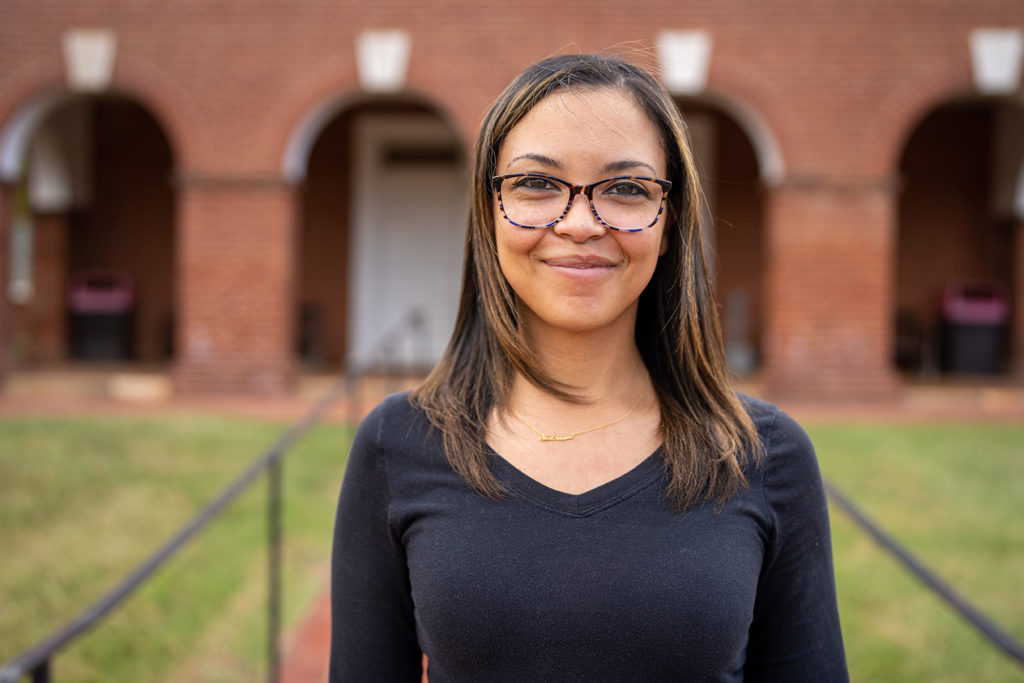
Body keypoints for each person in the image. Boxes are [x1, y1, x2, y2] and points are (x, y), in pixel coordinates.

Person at [330, 53, 848, 682]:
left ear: (671, 217)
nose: (579, 223)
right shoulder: (398, 444)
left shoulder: (763, 455)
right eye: (536, 184)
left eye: (626, 189)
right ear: (488, 209)